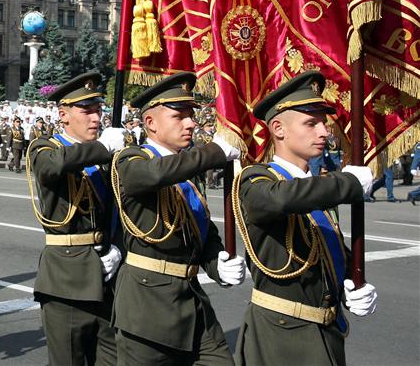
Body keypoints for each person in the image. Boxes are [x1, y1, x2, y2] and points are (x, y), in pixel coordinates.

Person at [232, 71, 377, 365]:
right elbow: (281, 199)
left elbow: (325, 246)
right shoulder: (256, 179)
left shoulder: (315, 187)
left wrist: (353, 281)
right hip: (281, 336)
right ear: (278, 128)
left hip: (327, 332)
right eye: (311, 123)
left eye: (324, 123)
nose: (324, 132)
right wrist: (347, 183)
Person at [111, 72, 247, 365]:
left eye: (191, 115)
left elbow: (200, 228)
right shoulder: (131, 159)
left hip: (192, 303)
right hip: (147, 308)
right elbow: (153, 175)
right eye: (179, 116)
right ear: (151, 123)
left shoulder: (187, 169)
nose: (191, 123)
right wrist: (214, 152)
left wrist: (217, 263)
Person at [26, 72, 127, 366]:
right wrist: (103, 149)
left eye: (98, 110)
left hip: (107, 276)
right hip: (66, 280)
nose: (96, 118)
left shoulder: (109, 156)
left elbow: (124, 210)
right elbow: (52, 167)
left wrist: (117, 247)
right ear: (64, 115)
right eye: (87, 111)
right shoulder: (45, 147)